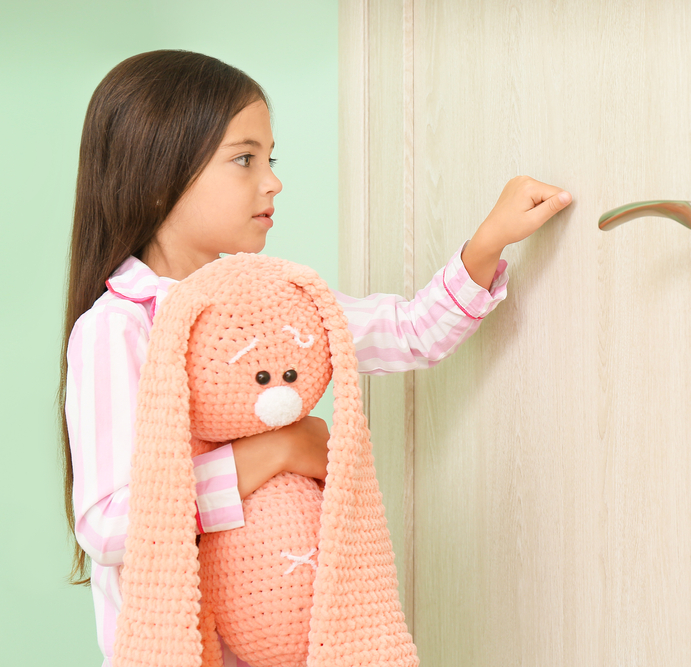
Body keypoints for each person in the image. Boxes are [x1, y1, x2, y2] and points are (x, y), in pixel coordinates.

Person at [58, 49, 572, 667]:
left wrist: (488, 240)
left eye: (269, 160)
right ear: (160, 173)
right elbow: (110, 527)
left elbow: (409, 332)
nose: (272, 181)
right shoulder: (118, 328)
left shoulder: (272, 303)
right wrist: (275, 452)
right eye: (244, 159)